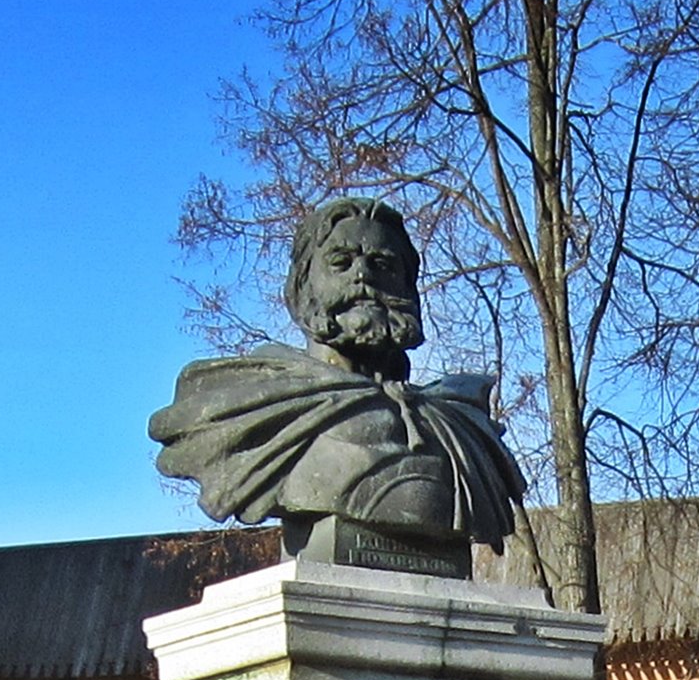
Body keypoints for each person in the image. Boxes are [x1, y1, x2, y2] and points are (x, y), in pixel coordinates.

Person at [147, 197, 523, 579]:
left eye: (383, 265)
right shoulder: (247, 401)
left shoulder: (461, 421)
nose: (363, 276)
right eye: (341, 263)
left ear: (409, 289)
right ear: (300, 289)